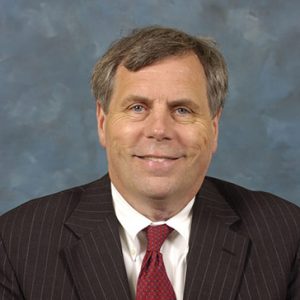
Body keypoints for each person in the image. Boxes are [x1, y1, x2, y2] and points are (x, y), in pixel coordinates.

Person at [0, 26, 299, 300]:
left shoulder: (287, 237)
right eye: (137, 107)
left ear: (214, 127)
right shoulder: (16, 242)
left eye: (182, 110)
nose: (159, 130)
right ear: (103, 122)